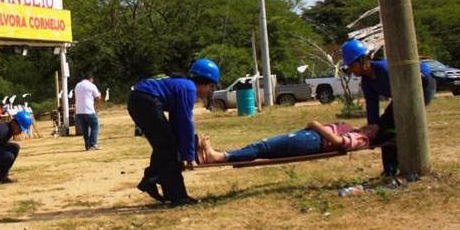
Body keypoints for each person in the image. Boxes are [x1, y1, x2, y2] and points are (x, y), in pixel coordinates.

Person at [128, 58, 219, 206]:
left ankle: (152, 179)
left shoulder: (183, 85)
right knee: (168, 148)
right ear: (205, 83)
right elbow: (185, 123)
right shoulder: (189, 88)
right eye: (211, 87)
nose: (210, 92)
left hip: (139, 99)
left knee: (166, 145)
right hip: (145, 101)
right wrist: (189, 156)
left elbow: (177, 124)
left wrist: (184, 150)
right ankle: (178, 197)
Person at [340, 39, 436, 176]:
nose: (351, 69)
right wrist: (373, 129)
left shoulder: (386, 70)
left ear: (363, 61)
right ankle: (389, 172)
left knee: (404, 124)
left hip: (422, 84)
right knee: (383, 130)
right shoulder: (366, 81)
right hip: (402, 95)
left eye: (352, 65)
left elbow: (413, 85)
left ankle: (416, 168)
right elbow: (372, 105)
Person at [197, 121, 379, 164]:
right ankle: (218, 155)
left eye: (373, 128)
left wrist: (316, 125)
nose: (370, 126)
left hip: (314, 140)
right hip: (310, 137)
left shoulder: (361, 139)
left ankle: (218, 156)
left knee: (263, 147)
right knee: (263, 147)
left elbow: (340, 142)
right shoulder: (357, 131)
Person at [74, 71, 102, 151]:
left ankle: (87, 145)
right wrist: (99, 94)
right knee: (95, 125)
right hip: (88, 109)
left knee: (85, 128)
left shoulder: (78, 85)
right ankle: (92, 144)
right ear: (91, 78)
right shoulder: (91, 85)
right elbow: (97, 97)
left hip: (79, 110)